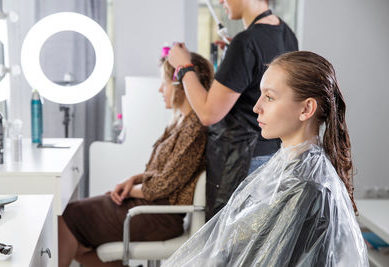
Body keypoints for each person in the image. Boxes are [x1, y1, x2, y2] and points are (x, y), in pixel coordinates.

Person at [163, 51, 369, 266]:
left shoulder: (307, 187)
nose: (256, 107)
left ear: (306, 108)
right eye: (260, 95)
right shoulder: (288, 168)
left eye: (269, 97)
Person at [58, 52, 214, 267]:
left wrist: (130, 190)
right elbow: (167, 173)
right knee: (80, 243)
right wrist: (133, 179)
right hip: (151, 206)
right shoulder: (181, 123)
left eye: (164, 84)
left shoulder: (194, 129)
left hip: (159, 216)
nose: (160, 90)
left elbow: (163, 184)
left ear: (179, 85)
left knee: (66, 217)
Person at [168, 0, 298, 220]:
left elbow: (209, 114)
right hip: (272, 158)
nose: (221, 1)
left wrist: (183, 67)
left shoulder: (246, 43)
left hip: (242, 164)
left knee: (229, 247)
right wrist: (235, 58)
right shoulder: (285, 33)